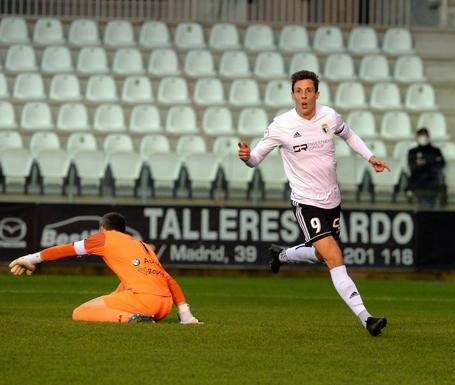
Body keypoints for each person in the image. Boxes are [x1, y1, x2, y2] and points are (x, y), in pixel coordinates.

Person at [238, 70, 391, 336]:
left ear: (316, 94)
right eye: (299, 91)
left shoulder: (329, 117)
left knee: (322, 254)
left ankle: (282, 254)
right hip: (306, 201)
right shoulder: (281, 125)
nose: (304, 96)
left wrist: (370, 157)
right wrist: (246, 156)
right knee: (334, 255)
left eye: (309, 91)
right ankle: (367, 318)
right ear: (293, 94)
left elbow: (350, 135)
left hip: (332, 199)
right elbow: (255, 160)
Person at [8, 212, 201, 324]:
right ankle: (138, 315)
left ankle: (131, 318)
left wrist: (31, 259)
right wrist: (185, 316)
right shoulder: (144, 246)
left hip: (144, 302)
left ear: (102, 228)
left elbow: (66, 250)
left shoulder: (105, 238)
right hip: (164, 306)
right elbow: (168, 279)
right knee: (119, 287)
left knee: (80, 312)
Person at [405, 127, 445, 207]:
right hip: (417, 180)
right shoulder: (412, 152)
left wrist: (424, 162)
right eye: (420, 136)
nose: (423, 138)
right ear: (417, 137)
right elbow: (413, 166)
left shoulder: (435, 151)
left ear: (428, 137)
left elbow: (441, 163)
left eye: (424, 135)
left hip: (432, 180)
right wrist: (431, 161)